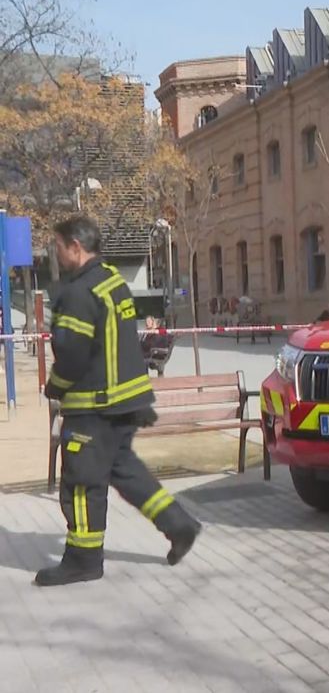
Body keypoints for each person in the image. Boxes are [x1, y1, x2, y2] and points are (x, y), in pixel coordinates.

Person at [39, 216, 202, 587]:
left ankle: (82, 560)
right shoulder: (112, 281)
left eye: (59, 247)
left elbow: (72, 353)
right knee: (127, 473)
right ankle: (180, 526)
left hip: (94, 406)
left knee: (81, 484)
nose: (57, 253)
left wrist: (55, 387)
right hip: (124, 402)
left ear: (76, 248)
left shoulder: (80, 292)